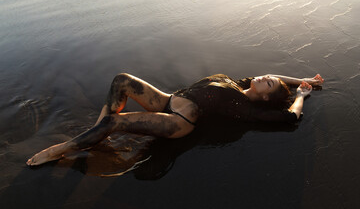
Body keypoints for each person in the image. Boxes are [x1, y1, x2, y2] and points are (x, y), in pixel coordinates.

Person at [26, 73, 324, 166]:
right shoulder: (240, 83)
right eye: (267, 77)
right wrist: (305, 79)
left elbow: (288, 116)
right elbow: (273, 75)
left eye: (268, 84)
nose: (265, 77)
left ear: (263, 97)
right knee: (121, 81)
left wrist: (301, 96)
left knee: (115, 122)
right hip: (169, 99)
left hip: (181, 120)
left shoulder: (245, 106)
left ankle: (61, 150)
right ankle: (96, 132)